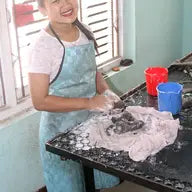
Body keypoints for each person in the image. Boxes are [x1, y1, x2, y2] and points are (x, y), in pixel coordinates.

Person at [28, 0, 120, 191]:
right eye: (55, 1)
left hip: (89, 122)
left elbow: (92, 71)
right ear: (42, 10)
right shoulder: (42, 47)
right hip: (59, 132)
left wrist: (105, 91)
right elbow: (39, 101)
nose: (66, 4)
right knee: (71, 184)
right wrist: (89, 102)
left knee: (93, 180)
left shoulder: (85, 31)